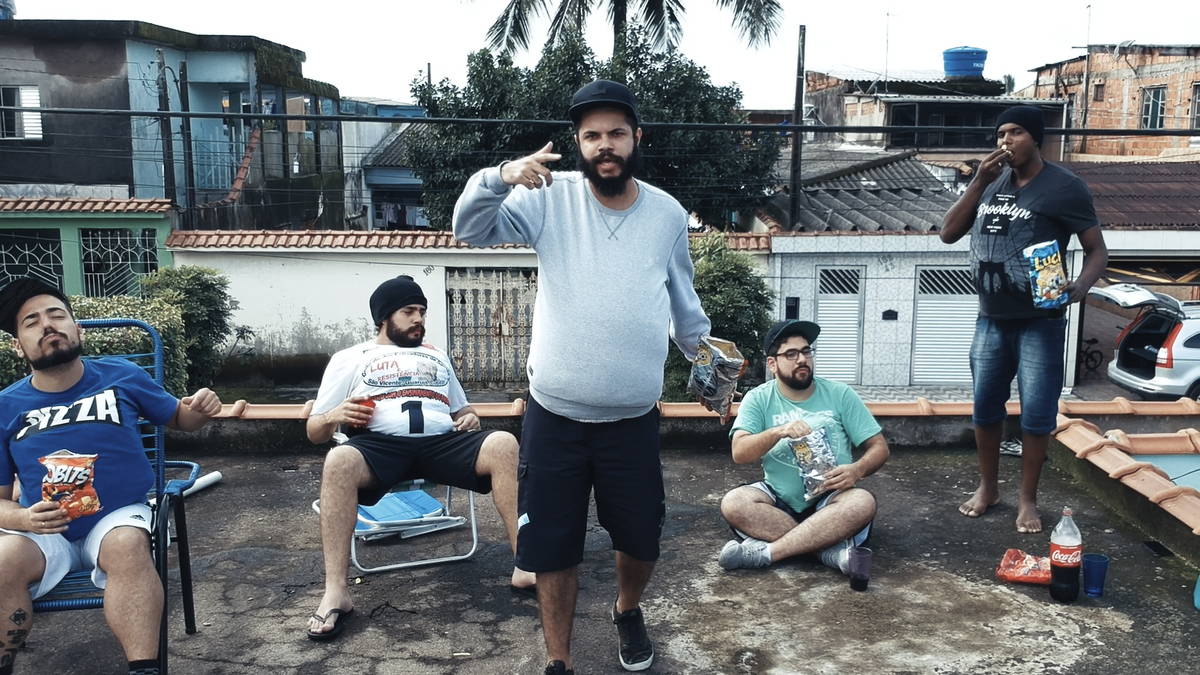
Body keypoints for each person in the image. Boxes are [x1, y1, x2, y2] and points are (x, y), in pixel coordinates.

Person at [452, 79, 713, 674]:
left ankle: (627, 609)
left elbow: (684, 306)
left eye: (616, 133)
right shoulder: (548, 197)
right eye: (592, 135)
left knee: (641, 540)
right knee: (552, 547)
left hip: (632, 420)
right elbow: (469, 228)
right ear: (578, 142)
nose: (605, 145)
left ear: (636, 137)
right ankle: (559, 659)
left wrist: (712, 369)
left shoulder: (667, 214)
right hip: (555, 418)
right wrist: (501, 176)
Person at [0, 278, 222, 675]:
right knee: (4, 560)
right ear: (18, 346)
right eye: (31, 322)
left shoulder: (122, 375)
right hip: (43, 529)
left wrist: (201, 410)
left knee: (127, 546)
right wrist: (22, 518)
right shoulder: (5, 407)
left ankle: (143, 670)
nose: (48, 325)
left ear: (77, 329)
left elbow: (178, 417)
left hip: (116, 517)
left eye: (56, 315)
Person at [304, 275, 534, 641]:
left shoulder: (436, 355)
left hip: (442, 444)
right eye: (409, 311)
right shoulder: (349, 359)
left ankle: (525, 565)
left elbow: (462, 410)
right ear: (384, 317)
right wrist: (334, 415)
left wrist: (469, 418)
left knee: (503, 442)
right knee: (337, 461)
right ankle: (336, 592)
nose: (419, 319)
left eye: (422, 312)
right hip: (379, 446)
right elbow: (314, 431)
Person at [940, 105, 1108, 534]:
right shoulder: (991, 182)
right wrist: (979, 180)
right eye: (1001, 134)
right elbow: (948, 233)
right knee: (985, 409)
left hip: (1041, 318)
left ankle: (1027, 499)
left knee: (1036, 414)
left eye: (1015, 132)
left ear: (1036, 138)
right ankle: (988, 488)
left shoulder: (1065, 187)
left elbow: (1097, 250)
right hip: (991, 317)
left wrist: (1081, 286)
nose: (1005, 141)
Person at [716, 320, 890, 573]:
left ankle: (765, 553)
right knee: (734, 502)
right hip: (778, 501)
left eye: (806, 351)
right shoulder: (758, 398)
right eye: (791, 354)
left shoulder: (840, 394)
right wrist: (778, 431)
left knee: (862, 502)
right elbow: (740, 452)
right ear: (772, 364)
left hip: (832, 499)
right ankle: (829, 552)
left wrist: (857, 469)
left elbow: (880, 447)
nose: (802, 359)